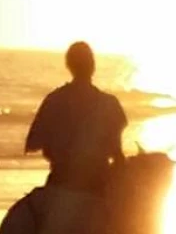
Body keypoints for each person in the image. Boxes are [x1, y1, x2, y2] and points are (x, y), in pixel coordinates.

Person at [26, 41, 128, 192]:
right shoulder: (110, 104)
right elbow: (117, 155)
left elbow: (32, 143)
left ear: (69, 66)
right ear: (93, 66)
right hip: (98, 185)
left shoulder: (54, 100)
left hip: (60, 182)